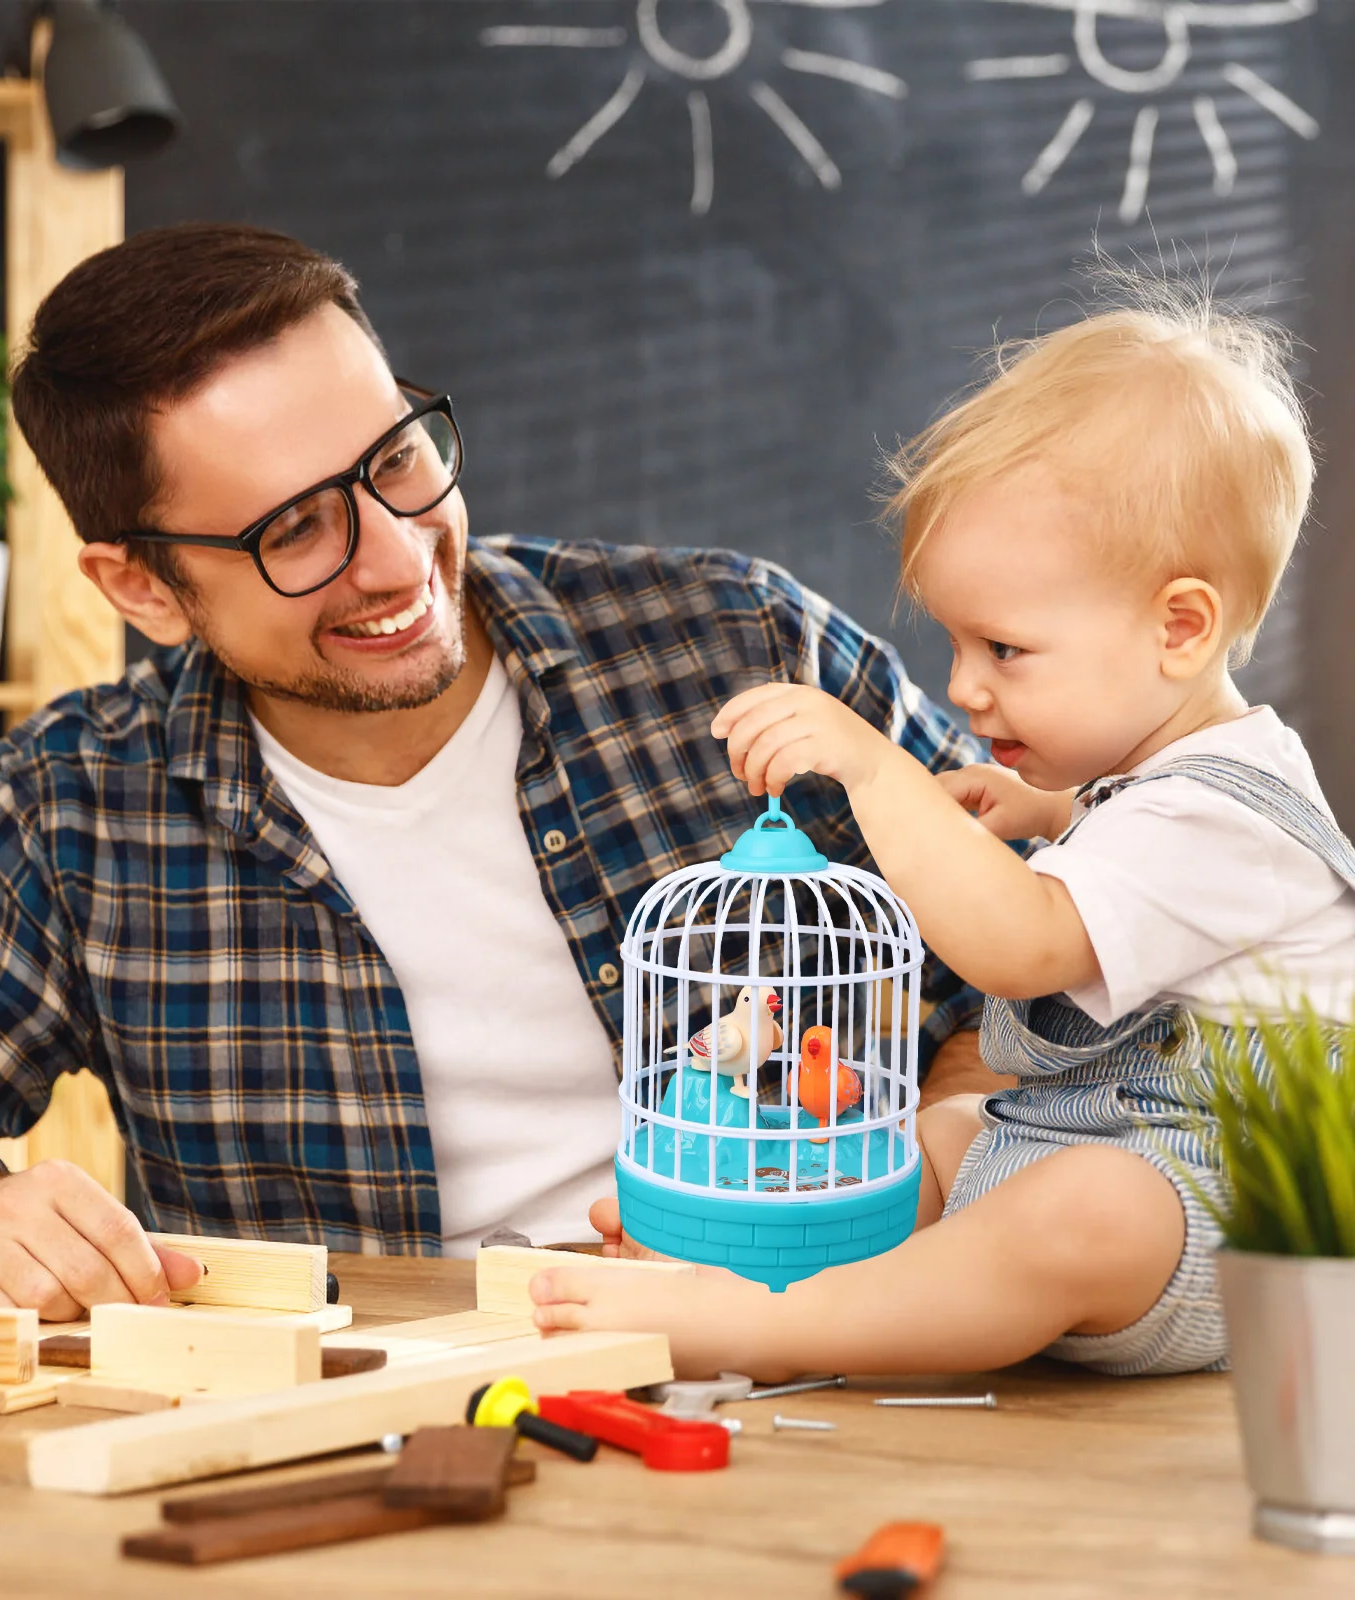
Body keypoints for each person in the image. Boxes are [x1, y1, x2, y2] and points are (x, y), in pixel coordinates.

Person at [0, 224, 984, 1320]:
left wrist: (937, 1167)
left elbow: (1072, 939)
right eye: (292, 529)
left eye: (395, 459)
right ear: (142, 587)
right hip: (356, 1446)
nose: (398, 557)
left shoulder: (738, 644)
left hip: (828, 1363)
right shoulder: (78, 805)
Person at [530, 286, 1355, 1379]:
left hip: (1239, 1213)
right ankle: (760, 1257)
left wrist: (880, 771)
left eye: (1005, 650)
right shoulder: (1162, 793)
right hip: (1089, 1133)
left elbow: (1020, 945)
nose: (962, 687)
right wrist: (1054, 813)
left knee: (1078, 1211)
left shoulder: (1228, 816)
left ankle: (771, 1326)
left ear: (1179, 627)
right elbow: (1138, 863)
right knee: (935, 1142)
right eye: (956, 644)